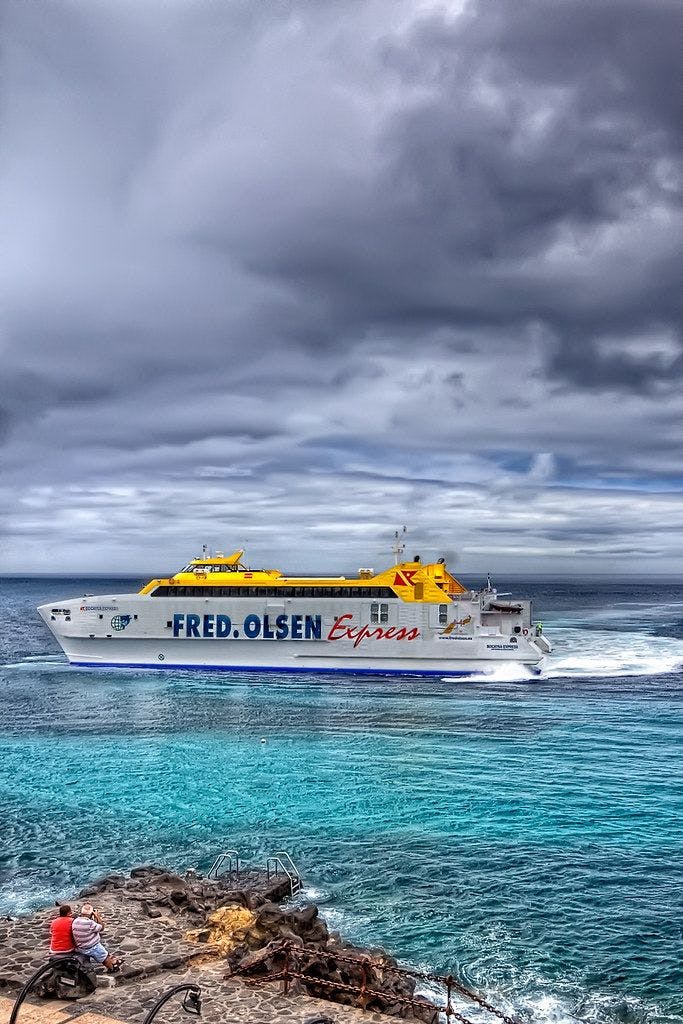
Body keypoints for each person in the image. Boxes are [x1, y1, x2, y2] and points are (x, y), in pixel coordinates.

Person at [71, 903, 121, 971]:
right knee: (104, 957)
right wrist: (97, 916)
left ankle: (113, 960)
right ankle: (112, 968)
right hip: (92, 947)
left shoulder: (75, 921)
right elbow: (102, 927)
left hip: (81, 948)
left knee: (104, 952)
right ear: (91, 913)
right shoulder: (90, 923)